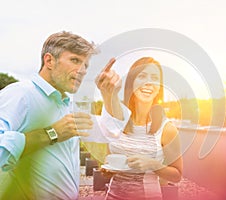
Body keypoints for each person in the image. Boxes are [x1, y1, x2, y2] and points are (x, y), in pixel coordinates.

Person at [0, 31, 128, 199]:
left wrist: (109, 95)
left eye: (86, 65)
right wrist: (52, 133)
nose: (82, 71)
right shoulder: (21, 94)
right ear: (49, 61)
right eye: (75, 60)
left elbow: (110, 131)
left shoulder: (66, 105)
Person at [102, 57, 183, 200]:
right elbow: (110, 157)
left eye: (154, 78)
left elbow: (177, 175)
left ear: (159, 87)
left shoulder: (167, 129)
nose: (149, 82)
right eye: (142, 76)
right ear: (131, 82)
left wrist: (153, 165)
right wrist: (108, 169)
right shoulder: (117, 121)